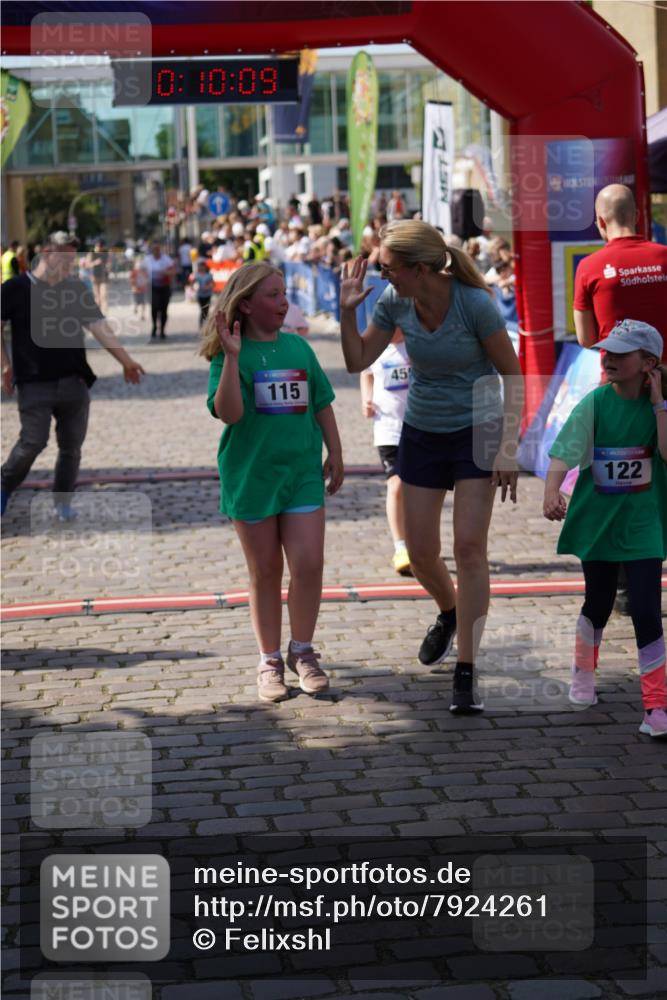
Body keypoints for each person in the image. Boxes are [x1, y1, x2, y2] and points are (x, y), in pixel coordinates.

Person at [339, 220, 523, 714]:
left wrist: (508, 447)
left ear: (419, 269)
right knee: (420, 552)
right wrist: (345, 312)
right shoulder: (394, 302)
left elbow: (513, 372)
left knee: (469, 548)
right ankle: (449, 610)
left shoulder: (474, 304)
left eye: (387, 267)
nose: (381, 275)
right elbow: (357, 361)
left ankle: (466, 670)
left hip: (477, 428)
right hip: (421, 430)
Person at [200, 262, 344, 703]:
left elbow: (321, 401)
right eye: (273, 296)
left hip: (301, 473)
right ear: (246, 303)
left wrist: (335, 451)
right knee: (265, 571)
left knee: (309, 563)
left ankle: (303, 651)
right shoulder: (227, 356)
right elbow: (229, 413)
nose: (284, 302)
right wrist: (234, 357)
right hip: (252, 476)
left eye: (284, 294)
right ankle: (269, 660)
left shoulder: (299, 349)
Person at [543, 319, 667, 739]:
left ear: (648, 363)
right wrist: (550, 490)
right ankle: (583, 674)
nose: (607, 358)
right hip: (598, 522)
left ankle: (656, 705)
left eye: (619, 353)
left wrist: (659, 404)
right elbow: (564, 450)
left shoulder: (659, 407)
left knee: (648, 610)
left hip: (643, 526)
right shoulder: (594, 403)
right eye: (606, 351)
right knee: (596, 604)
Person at [1, 232, 145, 519]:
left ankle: (62, 503)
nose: (70, 264)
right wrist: (4, 364)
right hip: (34, 383)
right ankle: (3, 487)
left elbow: (99, 327)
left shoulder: (76, 289)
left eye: (72, 259)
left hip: (74, 382)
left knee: (71, 448)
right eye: (64, 258)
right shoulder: (15, 288)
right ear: (45, 253)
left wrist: (126, 362)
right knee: (32, 442)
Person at [574, 184, 667, 360]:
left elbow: (586, 339)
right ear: (637, 216)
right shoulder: (665, 256)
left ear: (601, 222)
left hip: (619, 380)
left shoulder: (588, 267)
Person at [360, 327, 412, 576]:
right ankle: (400, 547)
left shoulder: (417, 344)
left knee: (417, 490)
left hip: (419, 427)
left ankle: (418, 540)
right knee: (397, 485)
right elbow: (366, 373)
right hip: (387, 429)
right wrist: (366, 399)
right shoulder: (376, 348)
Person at [143, 240, 177, 341]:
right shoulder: (147, 259)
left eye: (158, 249)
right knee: (154, 308)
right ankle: (154, 326)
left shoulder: (166, 259)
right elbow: (140, 271)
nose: (156, 251)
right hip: (152, 287)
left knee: (163, 309)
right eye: (154, 249)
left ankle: (162, 329)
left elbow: (173, 271)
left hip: (164, 287)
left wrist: (165, 273)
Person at [84, 240, 109, 313]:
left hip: (104, 276)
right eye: (98, 247)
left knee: (104, 296)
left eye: (101, 247)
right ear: (96, 246)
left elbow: (109, 263)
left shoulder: (105, 253)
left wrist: (108, 266)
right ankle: (98, 313)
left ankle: (104, 313)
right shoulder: (91, 254)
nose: (100, 249)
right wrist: (95, 263)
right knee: (97, 297)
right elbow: (86, 265)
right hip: (94, 276)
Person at [190, 258, 214, 328]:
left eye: (202, 266)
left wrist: (208, 287)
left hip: (207, 295)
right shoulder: (197, 275)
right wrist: (193, 287)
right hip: (200, 295)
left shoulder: (209, 275)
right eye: (200, 266)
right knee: (202, 310)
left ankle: (206, 325)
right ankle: (202, 325)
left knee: (206, 310)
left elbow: (212, 283)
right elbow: (192, 283)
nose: (201, 267)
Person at [129, 257, 148, 321]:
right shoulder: (133, 271)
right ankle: (136, 308)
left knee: (143, 302)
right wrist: (133, 287)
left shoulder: (144, 271)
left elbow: (146, 279)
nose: (139, 264)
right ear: (135, 264)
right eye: (138, 263)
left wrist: (145, 285)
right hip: (136, 290)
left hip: (142, 289)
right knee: (137, 302)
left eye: (140, 263)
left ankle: (142, 315)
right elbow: (131, 280)